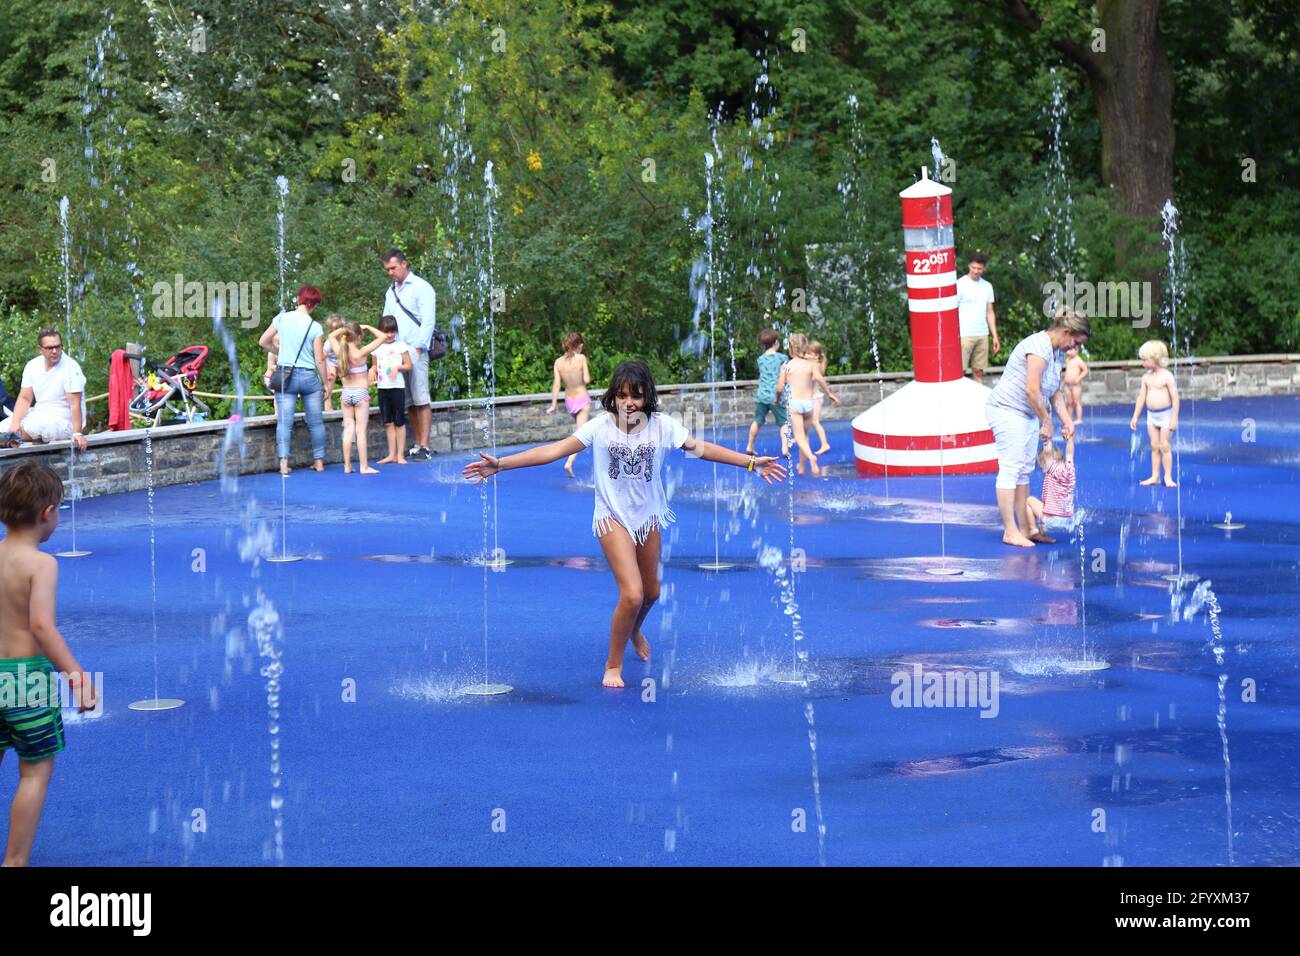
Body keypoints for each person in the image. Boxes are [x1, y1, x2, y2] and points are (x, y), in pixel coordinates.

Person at [464, 360, 786, 689]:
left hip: (647, 517)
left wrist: (750, 463)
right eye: (622, 395)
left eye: (636, 395)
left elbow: (701, 450)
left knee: (652, 593)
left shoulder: (662, 426)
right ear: (613, 397)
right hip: (611, 516)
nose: (628, 402)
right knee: (632, 595)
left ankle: (633, 628)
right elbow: (554, 450)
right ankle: (612, 665)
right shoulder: (600, 427)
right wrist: (501, 464)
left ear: (646, 396)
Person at [0, 462, 97, 867]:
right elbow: (41, 626)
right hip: (27, 681)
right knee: (35, 772)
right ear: (47, 514)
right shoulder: (42, 565)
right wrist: (77, 677)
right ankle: (15, 861)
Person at [984, 306, 1090, 547]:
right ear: (1065, 332)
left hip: (1026, 413)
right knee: (1011, 468)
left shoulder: (1057, 353)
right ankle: (1010, 531)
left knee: (1023, 470)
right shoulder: (1038, 346)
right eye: (1075, 342)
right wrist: (1046, 420)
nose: (1075, 349)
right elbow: (1031, 390)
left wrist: (1066, 420)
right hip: (1007, 410)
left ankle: (1027, 528)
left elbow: (1053, 392)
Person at [258, 285, 328, 476]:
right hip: (308, 377)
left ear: (299, 299)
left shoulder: (282, 318)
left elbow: (263, 341)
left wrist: (279, 352)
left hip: (285, 377)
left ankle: (283, 465)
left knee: (284, 422)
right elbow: (319, 359)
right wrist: (326, 384)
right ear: (314, 305)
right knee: (315, 422)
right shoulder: (315, 327)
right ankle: (319, 462)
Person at [381, 249, 437, 462]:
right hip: (396, 354)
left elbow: (428, 320)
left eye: (393, 268)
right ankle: (415, 444)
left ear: (405, 264)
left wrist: (419, 348)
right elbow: (386, 321)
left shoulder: (422, 288)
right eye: (387, 269)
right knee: (410, 401)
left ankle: (425, 445)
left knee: (421, 398)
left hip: (415, 350)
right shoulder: (391, 292)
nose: (390, 273)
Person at [0, 330, 89, 452]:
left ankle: (11, 440)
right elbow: (25, 399)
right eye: (50, 348)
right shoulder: (32, 366)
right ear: (40, 349)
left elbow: (75, 404)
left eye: (58, 347)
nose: (55, 351)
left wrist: (77, 433)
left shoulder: (71, 368)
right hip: (39, 414)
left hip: (63, 421)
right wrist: (15, 423)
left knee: (32, 428)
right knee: (4, 427)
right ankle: (10, 440)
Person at [328, 322, 387, 475]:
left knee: (348, 431)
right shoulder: (361, 353)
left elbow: (330, 336)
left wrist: (344, 329)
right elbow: (383, 336)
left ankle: (347, 466)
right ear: (358, 337)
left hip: (346, 394)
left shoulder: (339, 351)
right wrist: (368, 326)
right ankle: (364, 466)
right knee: (360, 431)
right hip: (361, 394)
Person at [777, 334, 840, 476]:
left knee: (798, 437)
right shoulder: (810, 365)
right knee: (805, 436)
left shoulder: (786, 366)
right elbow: (819, 378)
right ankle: (801, 465)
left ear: (790, 348)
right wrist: (829, 394)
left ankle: (811, 457)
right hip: (808, 404)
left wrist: (778, 398)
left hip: (794, 404)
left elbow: (780, 387)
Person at [1130, 339, 1180, 488]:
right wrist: (1135, 416)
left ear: (1156, 359)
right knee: (1154, 445)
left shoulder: (1167, 376)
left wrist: (1174, 419)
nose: (1142, 363)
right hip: (1152, 416)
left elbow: (1175, 398)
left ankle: (1168, 476)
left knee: (1164, 445)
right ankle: (1155, 475)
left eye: (1145, 360)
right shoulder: (1146, 378)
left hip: (1165, 415)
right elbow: (1141, 397)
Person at [545, 332, 592, 477]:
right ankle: (569, 463)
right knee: (581, 436)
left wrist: (553, 405)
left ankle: (571, 459)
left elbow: (557, 384)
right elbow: (587, 379)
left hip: (569, 402)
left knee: (580, 432)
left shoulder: (558, 362)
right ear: (580, 345)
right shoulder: (581, 358)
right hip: (582, 399)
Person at [372, 315, 413, 465]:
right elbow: (374, 365)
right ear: (380, 331)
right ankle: (391, 454)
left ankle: (400, 455)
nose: (389, 335)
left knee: (399, 421)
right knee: (388, 422)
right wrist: (372, 370)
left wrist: (397, 367)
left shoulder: (401, 345)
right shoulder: (376, 346)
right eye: (386, 332)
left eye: (392, 331)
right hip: (383, 388)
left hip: (397, 387)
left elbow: (409, 365)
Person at [956, 253, 1000, 384]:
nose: (976, 271)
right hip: (964, 334)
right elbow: (953, 312)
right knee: (960, 372)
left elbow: (990, 312)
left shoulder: (987, 286)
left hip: (982, 333)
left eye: (979, 268)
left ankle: (979, 402)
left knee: (979, 371)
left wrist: (995, 336)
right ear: (969, 266)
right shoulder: (959, 284)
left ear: (984, 269)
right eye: (973, 267)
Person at [746, 327, 789, 458]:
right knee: (784, 423)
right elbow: (784, 377)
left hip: (762, 396)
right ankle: (785, 447)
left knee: (757, 420)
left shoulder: (760, 359)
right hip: (776, 396)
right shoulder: (782, 358)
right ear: (776, 342)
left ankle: (750, 446)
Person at [1026, 438, 1077, 543]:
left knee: (1029, 500)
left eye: (1041, 467)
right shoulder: (1070, 470)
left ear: (1046, 462)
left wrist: (1047, 439)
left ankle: (1033, 530)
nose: (1042, 470)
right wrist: (1070, 439)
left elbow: (1047, 453)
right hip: (1067, 520)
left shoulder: (1053, 469)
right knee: (1045, 506)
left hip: (1052, 520)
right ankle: (1042, 533)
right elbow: (1070, 454)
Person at [807, 340, 832, 455]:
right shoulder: (812, 365)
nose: (806, 356)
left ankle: (825, 444)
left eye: (809, 354)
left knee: (815, 421)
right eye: (805, 353)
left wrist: (829, 393)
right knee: (807, 421)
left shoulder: (815, 366)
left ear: (816, 356)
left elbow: (819, 379)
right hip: (810, 398)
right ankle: (800, 438)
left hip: (816, 398)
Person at [321, 314, 346, 412]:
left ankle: (345, 401)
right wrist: (327, 369)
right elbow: (323, 357)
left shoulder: (345, 339)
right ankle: (328, 405)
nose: (338, 332)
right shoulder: (329, 342)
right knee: (330, 378)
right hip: (330, 362)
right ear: (331, 331)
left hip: (342, 361)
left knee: (346, 378)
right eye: (335, 329)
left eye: (340, 329)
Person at [1063, 346, 1088, 425]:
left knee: (1077, 402)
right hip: (1067, 384)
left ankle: (1079, 418)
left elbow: (1085, 370)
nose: (1069, 351)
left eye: (1071, 349)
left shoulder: (1078, 360)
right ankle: (1068, 419)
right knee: (1069, 402)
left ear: (1076, 351)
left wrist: (1078, 378)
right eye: (1068, 349)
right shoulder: (1067, 360)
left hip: (1075, 385)